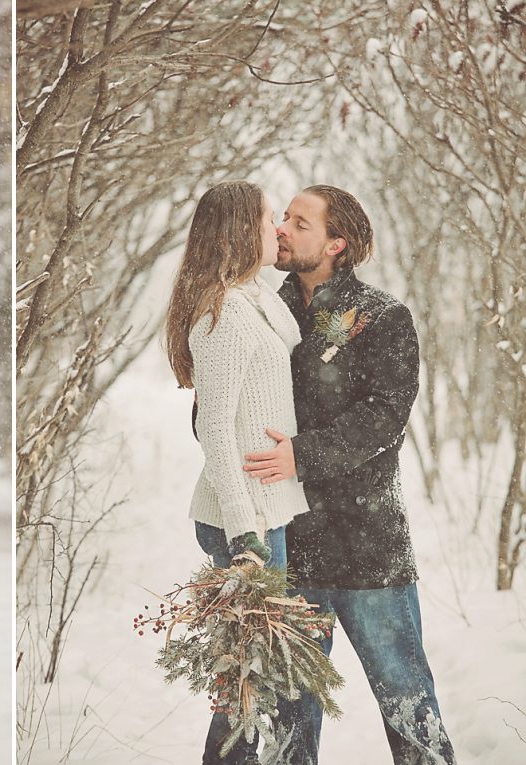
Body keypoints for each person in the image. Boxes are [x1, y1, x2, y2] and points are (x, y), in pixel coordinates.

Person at [242, 185, 457, 764]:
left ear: (337, 243)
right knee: (285, 718)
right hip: (286, 544)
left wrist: (302, 455)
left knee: (408, 702)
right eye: (282, 218)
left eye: (300, 223)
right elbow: (226, 399)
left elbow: (384, 418)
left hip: (369, 546)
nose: (283, 228)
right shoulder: (258, 311)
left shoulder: (383, 317)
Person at [165, 180, 310, 764]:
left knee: (259, 675)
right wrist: (243, 534)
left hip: (266, 509)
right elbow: (216, 431)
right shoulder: (223, 315)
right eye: (270, 219)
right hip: (244, 518)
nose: (278, 230)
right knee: (252, 682)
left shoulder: (251, 297)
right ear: (238, 233)